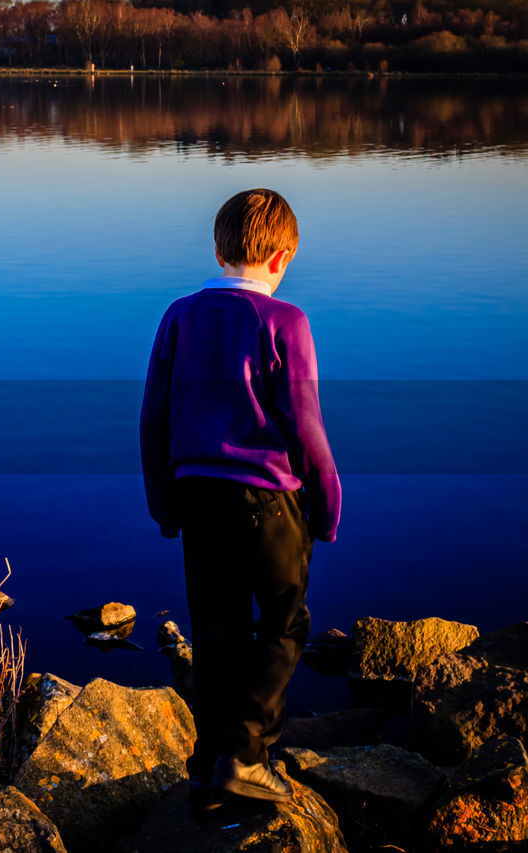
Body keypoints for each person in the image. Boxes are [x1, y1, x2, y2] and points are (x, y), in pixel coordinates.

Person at [139, 188, 340, 811]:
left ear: (219, 250)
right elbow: (304, 426)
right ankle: (249, 756)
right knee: (284, 623)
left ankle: (209, 767)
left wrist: (163, 503)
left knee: (216, 628)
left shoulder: (178, 315)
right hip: (267, 501)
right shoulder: (285, 322)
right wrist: (327, 506)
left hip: (197, 495)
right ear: (282, 257)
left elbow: (154, 419)